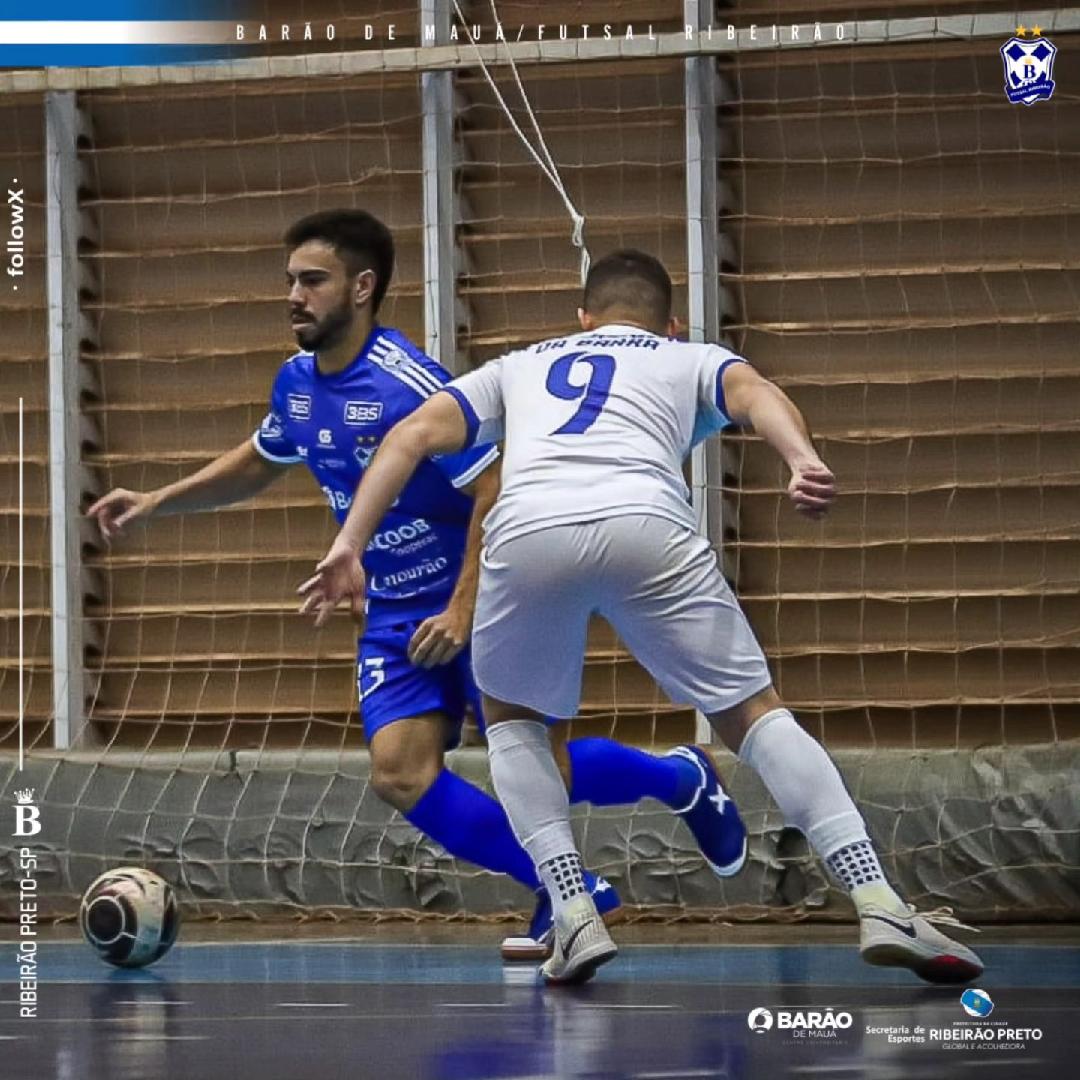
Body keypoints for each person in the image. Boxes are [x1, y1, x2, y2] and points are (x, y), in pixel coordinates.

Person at [301, 248, 985, 986]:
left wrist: (348, 543)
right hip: (646, 524)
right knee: (755, 715)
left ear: (582, 319)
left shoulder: (521, 363)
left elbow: (409, 436)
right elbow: (758, 393)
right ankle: (877, 898)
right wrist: (801, 458)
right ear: (672, 322)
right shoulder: (687, 356)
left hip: (528, 531)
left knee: (513, 722)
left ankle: (571, 911)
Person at [87, 216, 748, 958]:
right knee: (399, 772)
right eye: (289, 282)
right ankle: (563, 890)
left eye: (312, 281)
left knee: (541, 769)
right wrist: (156, 501)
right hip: (393, 608)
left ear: (362, 288)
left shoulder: (407, 383)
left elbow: (494, 486)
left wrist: (465, 606)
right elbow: (261, 458)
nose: (294, 297)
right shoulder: (297, 383)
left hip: (483, 592)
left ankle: (677, 777)